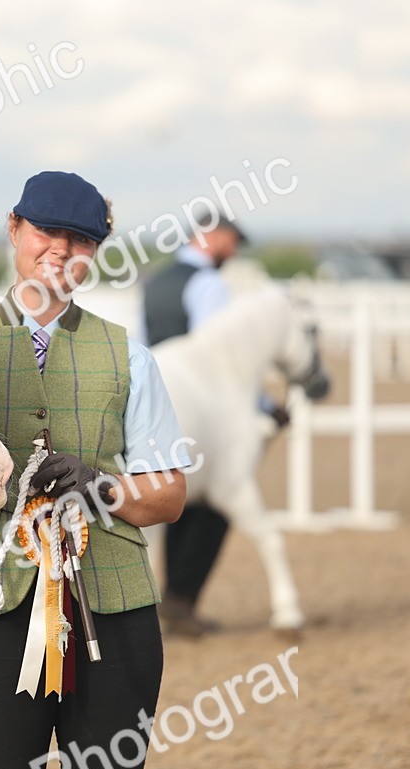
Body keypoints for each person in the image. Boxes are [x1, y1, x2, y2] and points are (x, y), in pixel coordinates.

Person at [0, 171, 190, 769]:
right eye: (47, 231)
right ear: (13, 229)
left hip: (113, 616)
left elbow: (169, 495)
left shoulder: (130, 357)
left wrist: (103, 486)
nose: (61, 250)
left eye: (81, 239)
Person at [140, 215, 286, 637]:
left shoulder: (157, 281)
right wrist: (264, 404)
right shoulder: (208, 285)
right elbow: (224, 357)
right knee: (217, 501)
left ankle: (170, 601)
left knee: (168, 500)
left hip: (156, 401)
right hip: (201, 406)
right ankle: (181, 600)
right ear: (213, 237)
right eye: (231, 242)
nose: (233, 251)